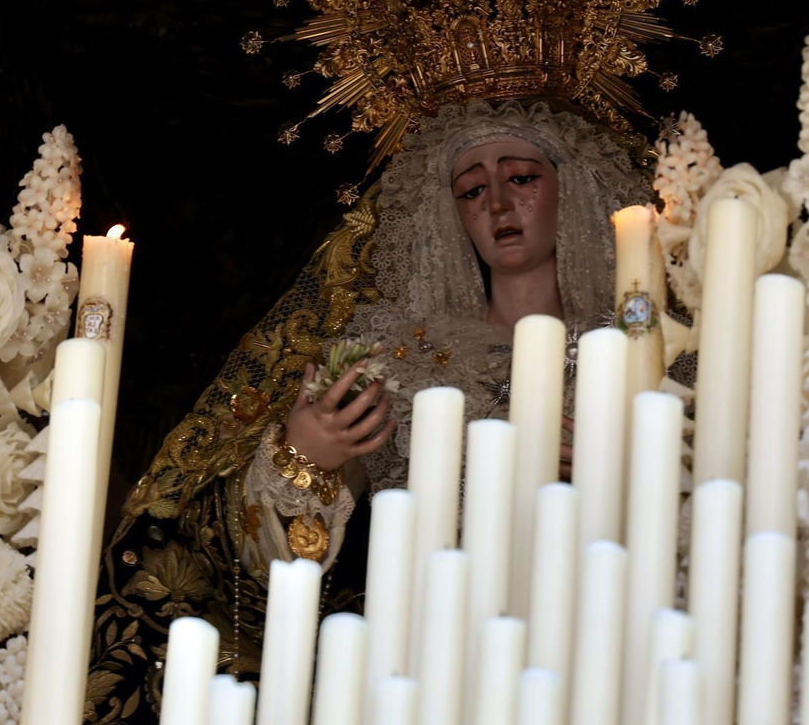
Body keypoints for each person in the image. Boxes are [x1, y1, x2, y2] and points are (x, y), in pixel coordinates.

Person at [85, 99, 653, 721]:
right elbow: (280, 556)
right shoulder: (401, 357)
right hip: (427, 663)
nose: (496, 205)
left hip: (612, 642)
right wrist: (309, 454)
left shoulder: (644, 353)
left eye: (521, 179)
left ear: (570, 188)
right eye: (470, 190)